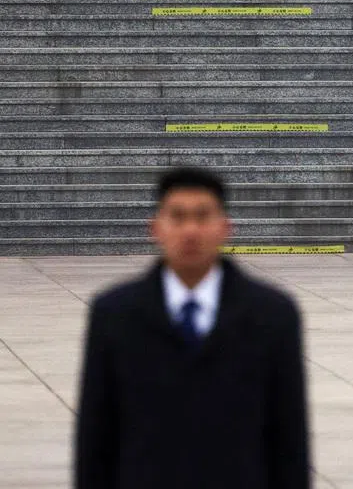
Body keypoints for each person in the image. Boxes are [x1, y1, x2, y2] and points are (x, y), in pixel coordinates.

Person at [75, 167, 311, 489]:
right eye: (178, 217)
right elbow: (95, 438)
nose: (190, 230)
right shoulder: (114, 315)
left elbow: (290, 440)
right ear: (155, 228)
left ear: (226, 227)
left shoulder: (273, 315)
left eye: (202, 216)